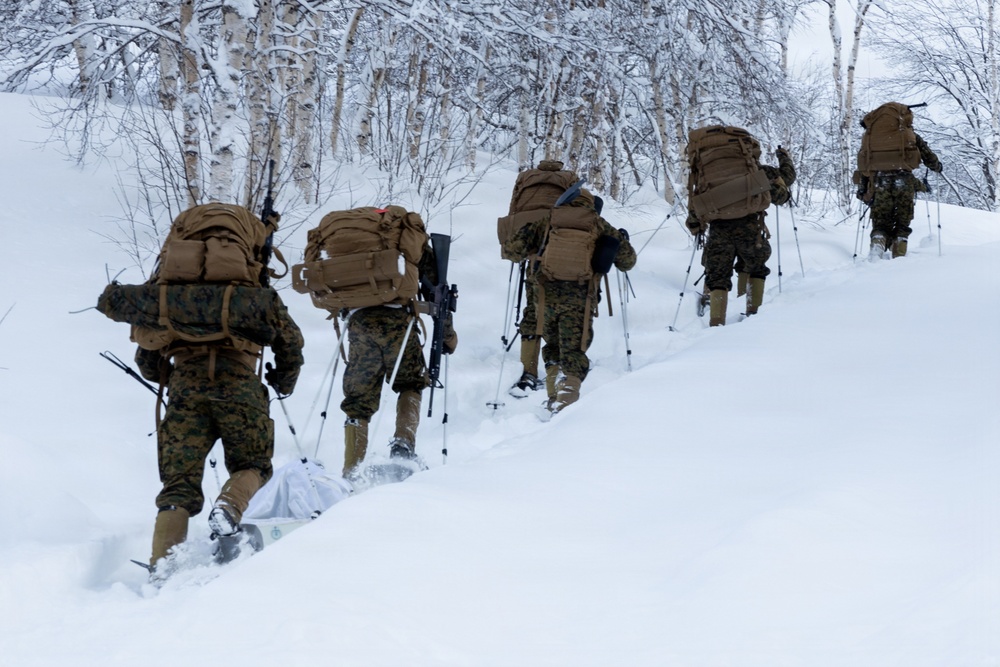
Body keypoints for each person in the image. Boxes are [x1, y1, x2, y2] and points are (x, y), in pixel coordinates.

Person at [129, 203, 304, 579]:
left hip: (185, 389)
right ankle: (228, 507)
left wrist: (171, 373)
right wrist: (283, 380)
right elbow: (290, 341)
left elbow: (146, 357)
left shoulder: (170, 293)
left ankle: (163, 565)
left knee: (178, 485)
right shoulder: (251, 292)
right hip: (240, 386)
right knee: (252, 465)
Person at [504, 188, 636, 413]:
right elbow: (627, 262)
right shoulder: (598, 223)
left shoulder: (549, 219)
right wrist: (619, 241)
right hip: (580, 299)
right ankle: (564, 406)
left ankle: (553, 399)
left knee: (553, 347)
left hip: (544, 297)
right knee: (573, 352)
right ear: (590, 205)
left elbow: (512, 251)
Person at [340, 234, 457, 478]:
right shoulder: (407, 237)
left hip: (359, 322)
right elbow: (437, 292)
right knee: (411, 382)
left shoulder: (351, 239)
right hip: (398, 321)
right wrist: (447, 336)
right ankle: (403, 445)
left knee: (358, 400)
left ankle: (352, 469)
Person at [686, 133, 795, 325]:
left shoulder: (708, 176)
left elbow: (696, 204)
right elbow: (786, 180)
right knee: (756, 267)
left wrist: (695, 224)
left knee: (718, 275)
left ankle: (716, 322)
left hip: (718, 229)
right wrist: (784, 157)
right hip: (750, 227)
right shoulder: (756, 171)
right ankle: (752, 315)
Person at [500, 160, 580, 398]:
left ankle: (529, 370)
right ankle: (561, 367)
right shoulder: (569, 178)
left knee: (533, 309)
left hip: (533, 249)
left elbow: (514, 207)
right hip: (562, 247)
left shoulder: (526, 177)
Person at [854, 103, 942, 259]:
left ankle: (877, 249)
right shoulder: (909, 135)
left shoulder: (871, 138)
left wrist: (863, 187)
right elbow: (928, 156)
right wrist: (937, 167)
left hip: (879, 182)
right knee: (902, 223)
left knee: (881, 222)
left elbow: (863, 163)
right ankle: (899, 258)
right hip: (904, 181)